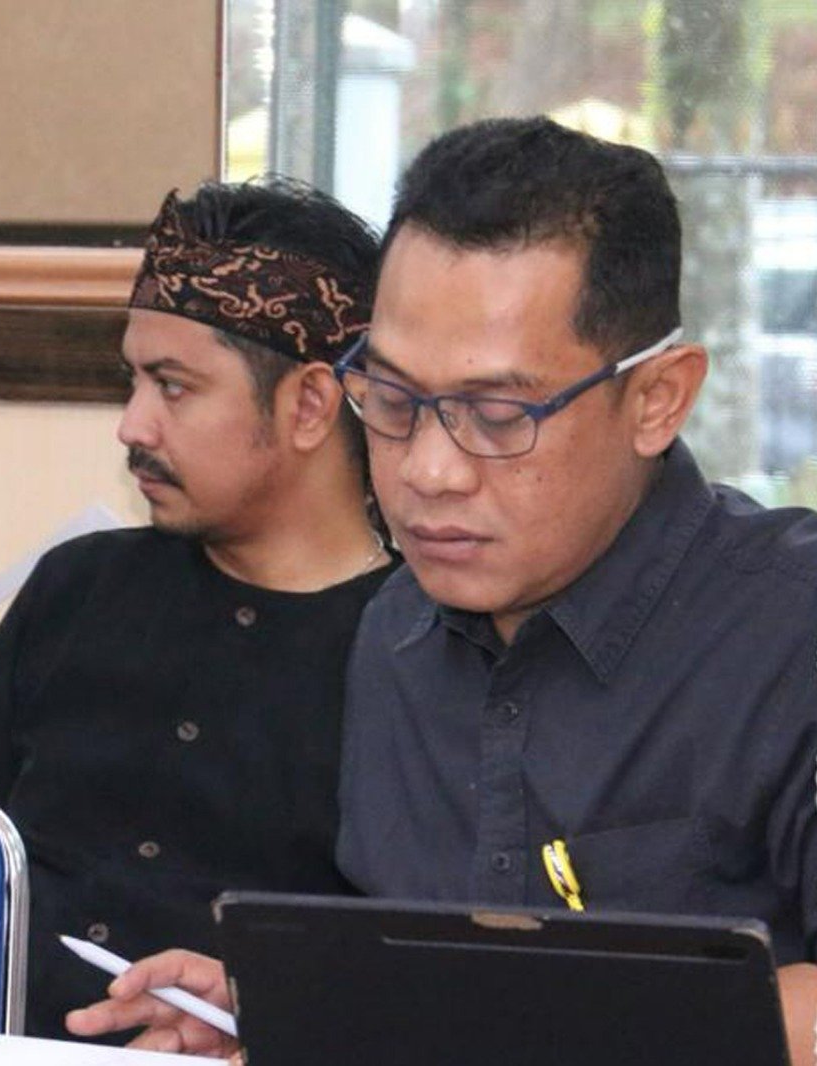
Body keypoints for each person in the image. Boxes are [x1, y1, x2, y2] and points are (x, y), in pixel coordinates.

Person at [67, 117, 817, 1065]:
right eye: (391, 400)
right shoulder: (400, 634)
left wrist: (533, 1024)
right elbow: (442, 982)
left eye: (497, 416)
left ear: (657, 399)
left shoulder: (788, 629)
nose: (428, 471)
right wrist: (301, 1010)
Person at [0, 179, 395, 1038]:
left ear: (309, 405)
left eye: (173, 387)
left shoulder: (420, 653)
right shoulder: (77, 590)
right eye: (132, 381)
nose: (132, 426)